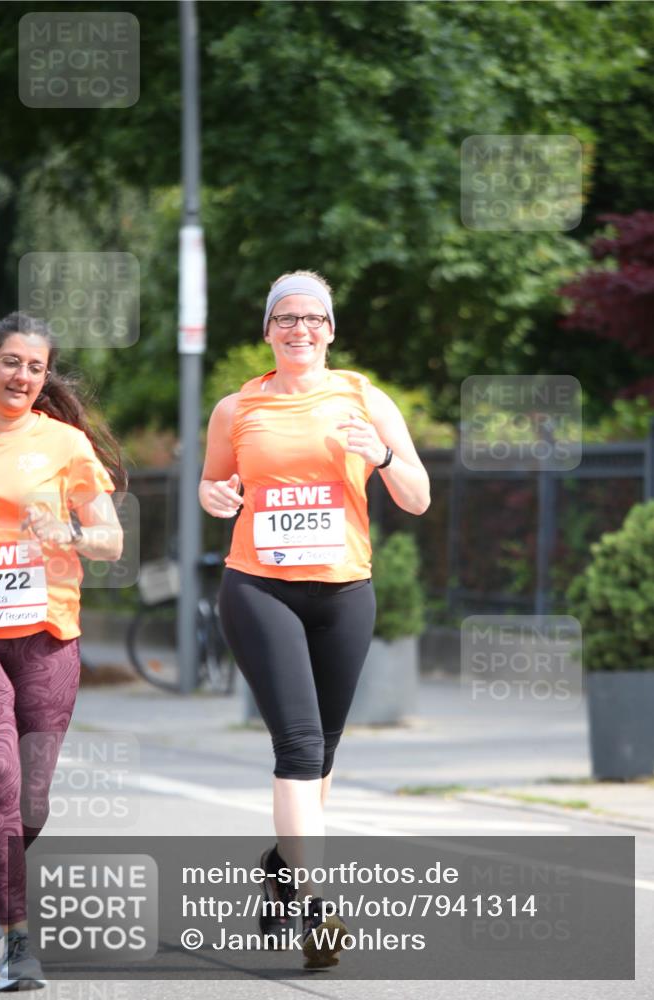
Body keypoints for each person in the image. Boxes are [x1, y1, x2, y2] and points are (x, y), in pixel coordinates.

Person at [199, 271, 430, 968]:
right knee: (297, 748)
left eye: (312, 319)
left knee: (323, 753)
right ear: (267, 331)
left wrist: (382, 454)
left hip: (343, 592)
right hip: (259, 589)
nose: (300, 329)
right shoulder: (236, 409)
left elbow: (416, 498)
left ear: (330, 330)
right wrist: (214, 496)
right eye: (285, 319)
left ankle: (279, 866)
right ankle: (315, 905)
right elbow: (215, 489)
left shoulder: (363, 398)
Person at [0, 313, 125, 991]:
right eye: (11, 361)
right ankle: (16, 941)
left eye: (35, 366)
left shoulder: (64, 444)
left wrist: (66, 530)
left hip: (46, 632)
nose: (22, 376)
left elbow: (111, 543)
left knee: (32, 804)